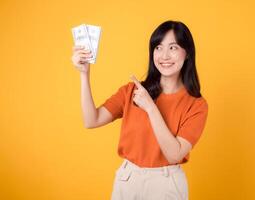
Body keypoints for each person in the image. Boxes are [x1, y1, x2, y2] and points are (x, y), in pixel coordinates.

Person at [71, 20, 208, 200]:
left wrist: (150, 107)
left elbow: (174, 154)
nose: (164, 55)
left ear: (187, 52)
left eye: (173, 48)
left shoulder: (196, 105)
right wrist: (84, 74)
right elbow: (91, 120)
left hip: (166, 184)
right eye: (158, 48)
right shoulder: (131, 91)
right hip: (128, 180)